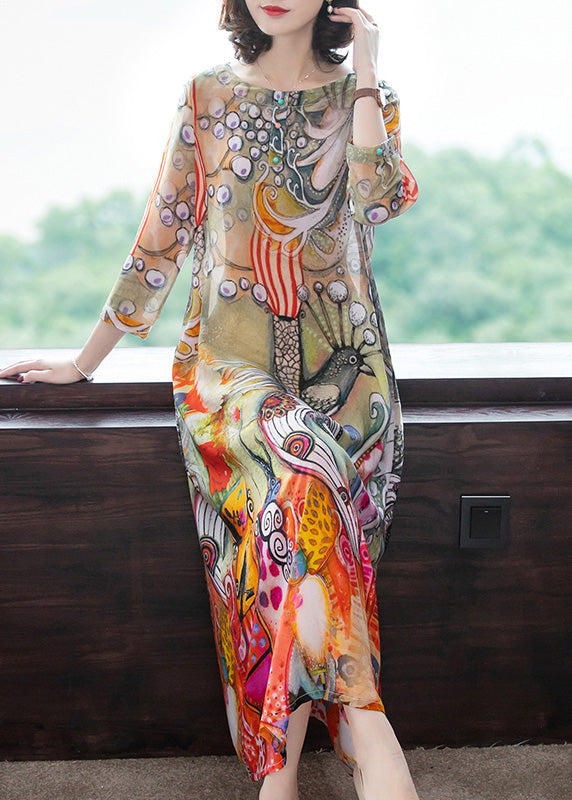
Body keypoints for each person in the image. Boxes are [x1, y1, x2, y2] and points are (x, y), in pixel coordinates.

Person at [0, 1, 419, 797]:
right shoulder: (208, 96)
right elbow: (161, 236)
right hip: (231, 374)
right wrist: (85, 363)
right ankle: (369, 734)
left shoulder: (368, 98)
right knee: (304, 481)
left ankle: (278, 780)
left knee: (302, 539)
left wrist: (366, 71)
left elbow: (376, 199)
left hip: (351, 378)